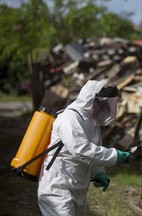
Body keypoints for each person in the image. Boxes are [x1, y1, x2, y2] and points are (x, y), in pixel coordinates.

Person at [38, 80, 132, 216]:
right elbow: (81, 150)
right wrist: (115, 156)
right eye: (100, 104)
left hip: (77, 189)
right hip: (56, 188)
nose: (102, 109)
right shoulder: (70, 118)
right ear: (90, 99)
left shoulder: (92, 122)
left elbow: (95, 149)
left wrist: (98, 172)